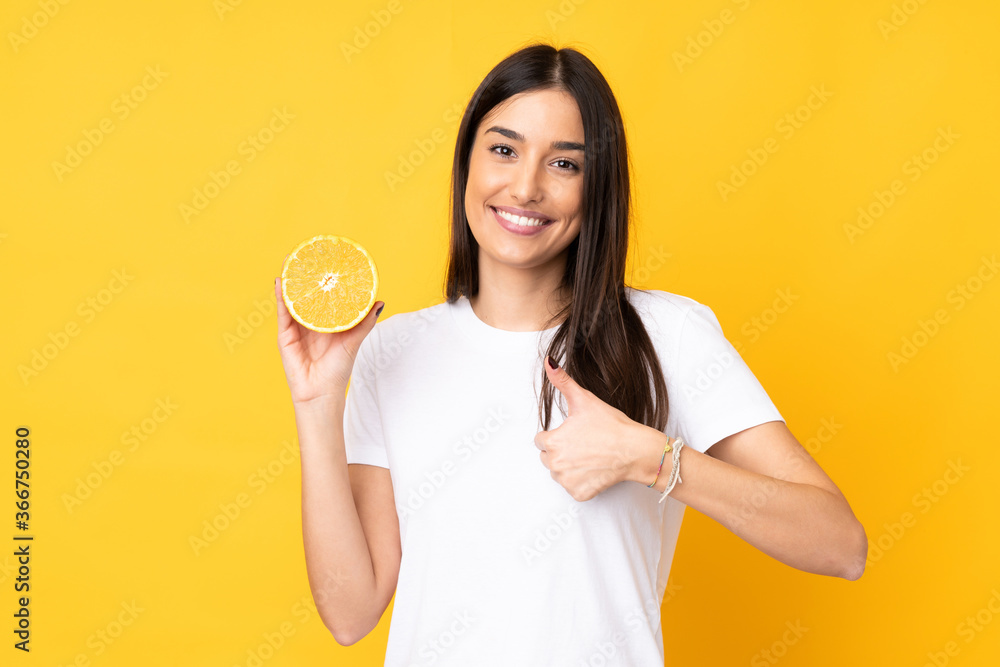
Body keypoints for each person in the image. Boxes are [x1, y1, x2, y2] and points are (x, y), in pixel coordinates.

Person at [275, 42, 867, 666]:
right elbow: (350, 612)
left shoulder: (667, 334)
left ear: (597, 186)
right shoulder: (392, 351)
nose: (525, 187)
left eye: (564, 164)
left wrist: (654, 460)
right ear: (467, 167)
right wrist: (316, 405)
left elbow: (839, 544)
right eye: (503, 150)